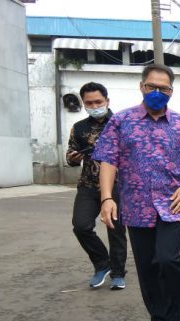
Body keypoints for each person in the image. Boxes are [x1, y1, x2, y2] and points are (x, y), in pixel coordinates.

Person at [94, 64, 180, 321]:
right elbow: (108, 160)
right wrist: (107, 198)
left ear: (171, 91)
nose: (157, 92)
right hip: (136, 205)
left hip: (173, 203)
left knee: (168, 259)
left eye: (164, 88)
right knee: (147, 266)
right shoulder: (121, 121)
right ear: (142, 86)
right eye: (152, 87)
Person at [66, 82, 128, 290]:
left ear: (107, 101)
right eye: (89, 103)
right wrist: (73, 158)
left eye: (98, 102)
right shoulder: (79, 128)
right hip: (88, 184)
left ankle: (118, 273)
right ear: (83, 103)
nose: (94, 106)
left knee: (115, 230)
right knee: (81, 226)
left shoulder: (121, 124)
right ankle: (102, 263)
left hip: (118, 185)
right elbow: (70, 155)